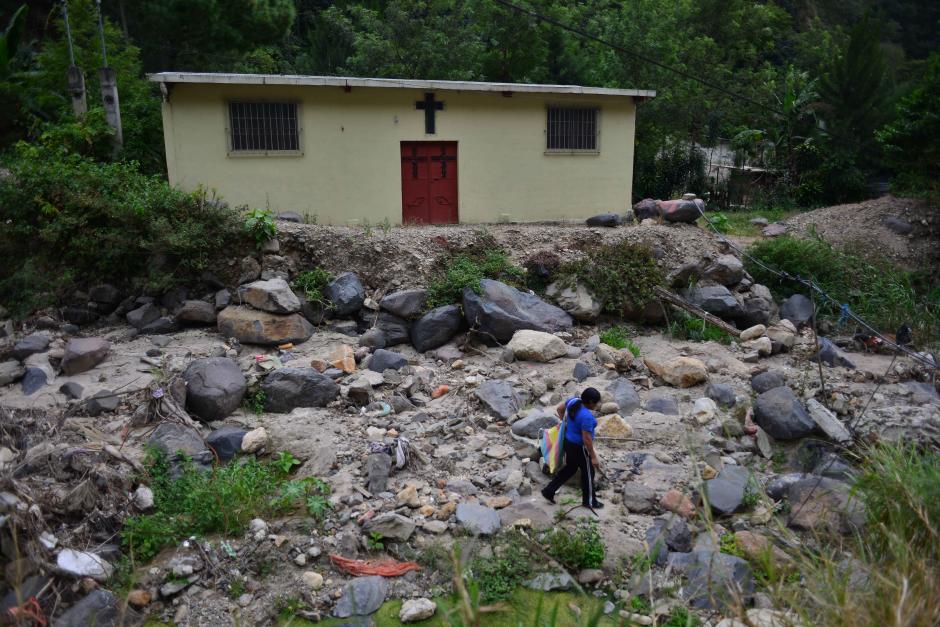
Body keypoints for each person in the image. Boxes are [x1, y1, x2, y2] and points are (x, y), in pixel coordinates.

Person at [541, 387, 604, 509]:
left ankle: (549, 490)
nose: (597, 405)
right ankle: (590, 501)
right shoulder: (586, 417)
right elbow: (587, 439)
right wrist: (593, 457)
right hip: (579, 447)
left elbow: (559, 409)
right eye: (596, 402)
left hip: (568, 442)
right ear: (590, 402)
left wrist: (565, 424)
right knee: (588, 473)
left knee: (570, 468)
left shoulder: (574, 401)